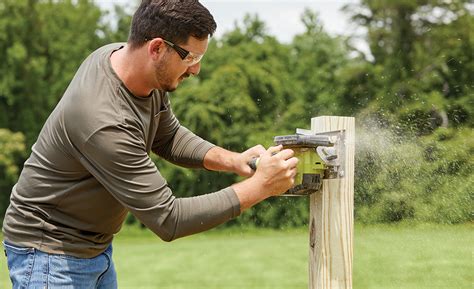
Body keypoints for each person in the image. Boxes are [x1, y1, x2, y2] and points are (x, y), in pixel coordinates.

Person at [2, 0, 298, 288]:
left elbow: (168, 136)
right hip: (49, 254)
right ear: (156, 48)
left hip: (94, 247)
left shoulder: (130, 69)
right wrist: (260, 187)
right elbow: (169, 219)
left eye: (199, 58)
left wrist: (233, 160)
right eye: (190, 57)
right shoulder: (102, 119)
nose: (195, 70)